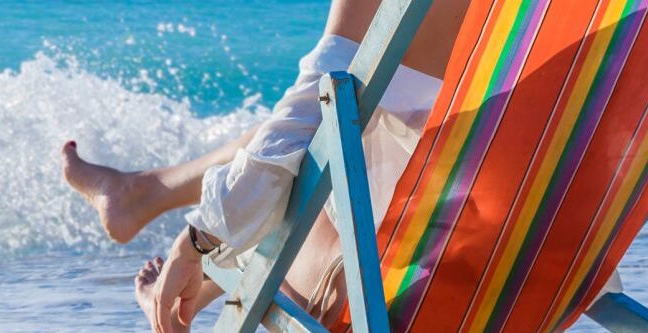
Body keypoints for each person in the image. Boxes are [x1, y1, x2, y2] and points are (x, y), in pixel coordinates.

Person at [61, 1, 467, 331]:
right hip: (502, 267)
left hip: (390, 275)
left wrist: (197, 239)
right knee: (344, 122)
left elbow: (321, 94)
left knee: (316, 132)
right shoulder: (526, 28)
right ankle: (145, 198)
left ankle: (172, 238)